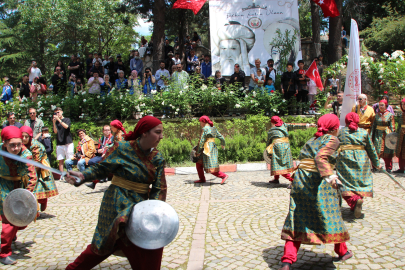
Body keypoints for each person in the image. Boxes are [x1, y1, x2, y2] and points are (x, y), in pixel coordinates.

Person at [64, 116, 167, 270]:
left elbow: (159, 189)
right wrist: (83, 176)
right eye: (157, 132)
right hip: (116, 204)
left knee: (151, 246)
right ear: (145, 133)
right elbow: (101, 168)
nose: (161, 136)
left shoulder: (157, 158)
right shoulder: (121, 148)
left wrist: (153, 215)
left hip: (140, 209)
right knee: (101, 246)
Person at [278, 114, 353, 270]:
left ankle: (287, 260)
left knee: (297, 217)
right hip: (318, 182)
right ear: (335, 127)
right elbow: (321, 158)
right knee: (331, 216)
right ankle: (342, 252)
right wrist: (331, 176)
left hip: (300, 181)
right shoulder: (333, 140)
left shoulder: (312, 140)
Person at [0, 126, 38, 265]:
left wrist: (27, 196)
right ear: (4, 143)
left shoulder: (26, 154)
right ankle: (3, 252)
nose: (16, 148)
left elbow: (32, 177)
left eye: (18, 144)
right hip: (2, 187)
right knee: (9, 221)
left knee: (21, 219)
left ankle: (10, 235)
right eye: (12, 145)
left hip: (20, 189)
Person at [336, 113, 381, 218]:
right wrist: (376, 163)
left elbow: (333, 148)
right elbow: (371, 149)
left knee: (344, 183)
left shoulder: (341, 133)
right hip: (361, 160)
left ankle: (355, 201)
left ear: (346, 121)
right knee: (360, 182)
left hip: (345, 160)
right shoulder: (363, 132)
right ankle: (357, 201)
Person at [20, 126, 58, 212]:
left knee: (37, 186)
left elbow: (36, 162)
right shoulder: (19, 144)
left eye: (26, 137)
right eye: (22, 136)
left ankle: (42, 202)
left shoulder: (35, 146)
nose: (24, 139)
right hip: (26, 166)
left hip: (39, 166)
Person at [194, 116, 229, 184]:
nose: (200, 124)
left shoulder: (205, 129)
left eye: (200, 122)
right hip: (212, 148)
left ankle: (223, 176)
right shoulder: (213, 128)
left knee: (210, 167)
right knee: (199, 163)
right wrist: (223, 144)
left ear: (203, 122)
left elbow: (201, 141)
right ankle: (202, 179)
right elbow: (221, 137)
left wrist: (198, 152)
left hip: (206, 149)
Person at [266, 116, 294, 185]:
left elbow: (268, 142)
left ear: (272, 122)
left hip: (278, 148)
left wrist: (268, 153)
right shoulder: (285, 125)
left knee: (279, 165)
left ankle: (293, 180)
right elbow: (294, 126)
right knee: (279, 163)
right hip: (286, 147)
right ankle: (276, 179)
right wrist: (308, 125)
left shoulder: (272, 130)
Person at [85, 125, 114, 189]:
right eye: (106, 130)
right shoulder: (102, 138)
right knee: (90, 161)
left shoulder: (113, 138)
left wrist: (106, 152)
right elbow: (97, 149)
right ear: (103, 131)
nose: (107, 131)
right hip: (101, 156)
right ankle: (95, 180)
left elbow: (115, 146)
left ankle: (96, 181)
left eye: (108, 130)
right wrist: (99, 151)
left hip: (109, 157)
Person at [371, 99, 395, 173]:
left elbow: (392, 126)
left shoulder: (390, 115)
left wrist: (392, 135)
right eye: (379, 105)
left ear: (386, 106)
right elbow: (373, 126)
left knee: (388, 151)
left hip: (387, 134)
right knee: (376, 150)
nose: (380, 107)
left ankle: (388, 167)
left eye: (382, 105)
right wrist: (371, 135)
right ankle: (375, 166)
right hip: (378, 134)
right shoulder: (376, 115)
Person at [53, 107, 73, 172]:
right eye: (55, 113)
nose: (57, 114)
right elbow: (55, 131)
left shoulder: (67, 119)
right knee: (60, 160)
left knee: (69, 159)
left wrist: (59, 120)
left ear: (62, 112)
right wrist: (54, 123)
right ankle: (62, 175)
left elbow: (66, 127)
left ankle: (70, 173)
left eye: (58, 112)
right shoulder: (56, 122)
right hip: (60, 143)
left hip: (68, 142)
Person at [395, 98, 405, 174]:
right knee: (401, 151)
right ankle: (401, 168)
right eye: (402, 104)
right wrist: (397, 133)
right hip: (401, 135)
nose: (403, 106)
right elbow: (399, 126)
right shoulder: (402, 114)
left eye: (404, 104)